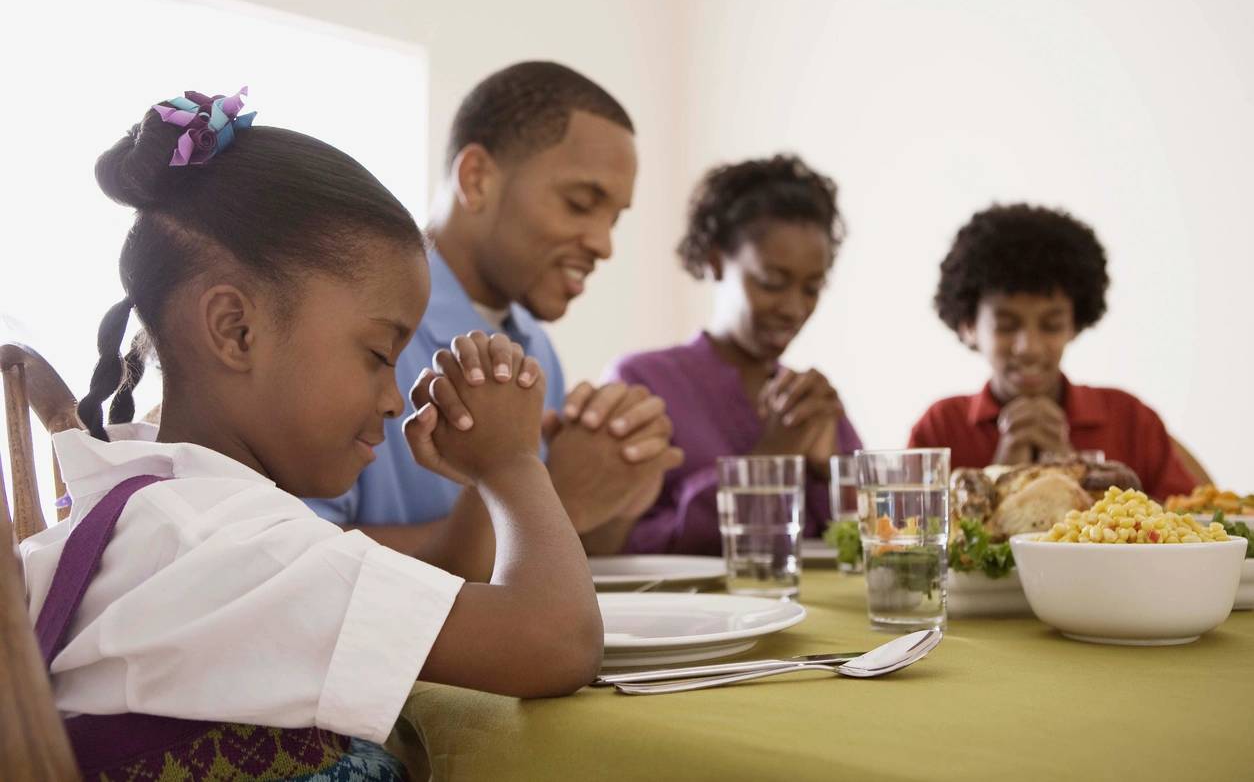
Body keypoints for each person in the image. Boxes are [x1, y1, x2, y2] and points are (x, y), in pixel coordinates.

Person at [19, 88, 601, 780]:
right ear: (236, 330)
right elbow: (555, 642)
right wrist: (512, 465)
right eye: (379, 354)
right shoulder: (232, 549)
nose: (393, 398)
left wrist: (485, 479)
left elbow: (428, 591)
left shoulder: (164, 513)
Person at [306, 61, 682, 564]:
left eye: (614, 218)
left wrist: (617, 493)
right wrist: (551, 500)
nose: (603, 243)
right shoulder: (352, 321)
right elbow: (297, 564)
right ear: (478, 178)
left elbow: (554, 562)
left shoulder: (533, 344)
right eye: (579, 203)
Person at [605, 154, 862, 555]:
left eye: (812, 288)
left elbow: (867, 540)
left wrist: (828, 471)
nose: (794, 308)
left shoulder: (810, 400)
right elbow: (624, 546)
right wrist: (771, 457)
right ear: (715, 261)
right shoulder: (643, 383)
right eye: (772, 282)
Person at [908, 202, 1197, 501]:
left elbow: (1191, 525)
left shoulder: (1131, 420)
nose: (1029, 348)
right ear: (969, 326)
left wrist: (1073, 476)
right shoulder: (940, 430)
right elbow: (906, 535)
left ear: (1075, 323)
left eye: (1051, 325)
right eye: (1006, 326)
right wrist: (1001, 479)